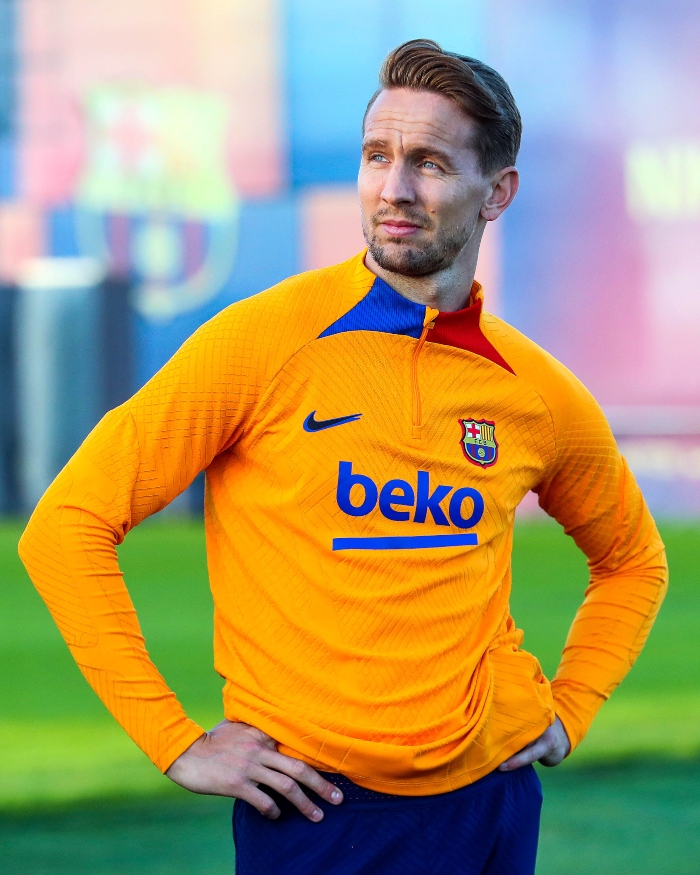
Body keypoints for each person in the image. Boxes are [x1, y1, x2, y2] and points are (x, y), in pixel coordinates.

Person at [19, 39, 668, 875]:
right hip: (315, 808)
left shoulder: (535, 390)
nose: (394, 188)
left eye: (430, 163)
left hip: (492, 802)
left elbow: (633, 559)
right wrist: (172, 739)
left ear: (497, 191)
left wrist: (572, 707)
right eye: (377, 156)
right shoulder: (261, 342)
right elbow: (67, 524)